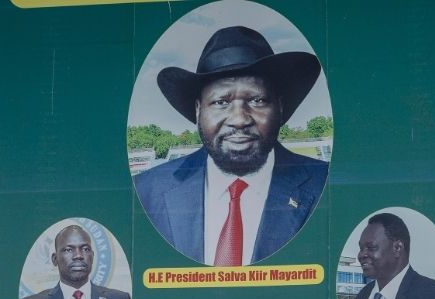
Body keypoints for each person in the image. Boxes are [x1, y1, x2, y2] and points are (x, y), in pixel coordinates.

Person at [134, 26, 328, 266]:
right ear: (198, 110)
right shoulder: (146, 192)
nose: (239, 119)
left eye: (257, 100)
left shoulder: (326, 187)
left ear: (279, 107)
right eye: (221, 102)